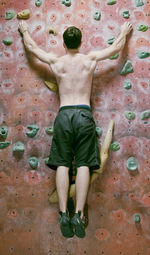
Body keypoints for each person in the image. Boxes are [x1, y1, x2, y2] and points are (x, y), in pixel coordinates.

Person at [18, 21, 132, 238]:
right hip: (83, 113)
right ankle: (78, 213)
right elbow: (116, 49)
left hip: (64, 114)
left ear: (63, 43)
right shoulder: (89, 59)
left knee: (61, 162)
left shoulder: (56, 61)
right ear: (80, 43)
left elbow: (33, 50)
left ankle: (63, 212)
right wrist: (123, 32)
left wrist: (24, 30)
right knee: (83, 165)